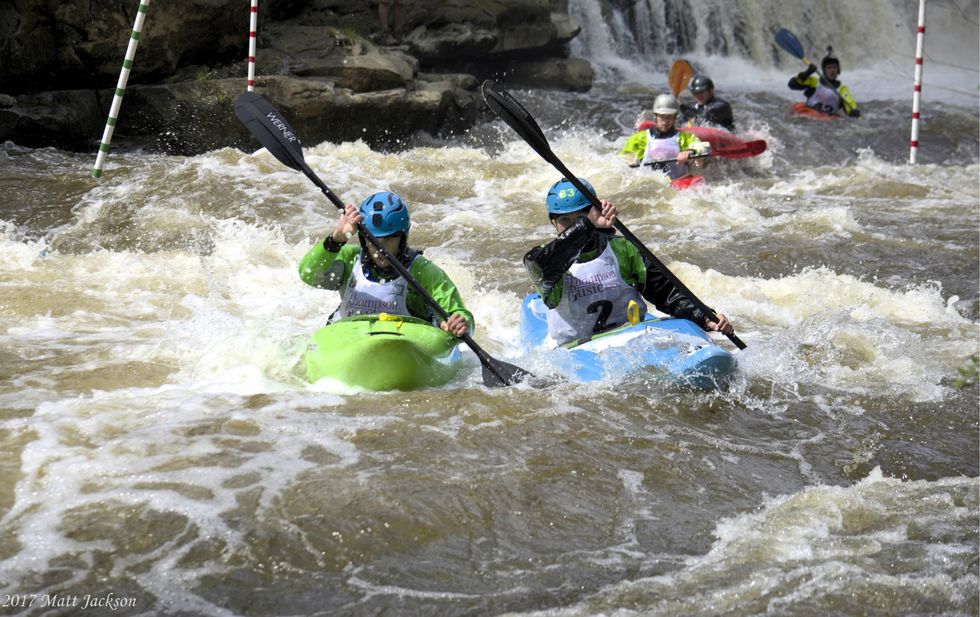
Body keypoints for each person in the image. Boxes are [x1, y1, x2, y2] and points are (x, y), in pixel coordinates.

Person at [523, 177, 734, 345]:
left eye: (581, 216)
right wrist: (587, 225)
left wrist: (704, 317)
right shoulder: (542, 260)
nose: (572, 225)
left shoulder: (623, 249)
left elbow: (666, 293)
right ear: (553, 222)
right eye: (564, 220)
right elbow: (545, 266)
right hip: (578, 349)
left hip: (630, 340)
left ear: (594, 212)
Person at [298, 191, 473, 338]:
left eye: (389, 240)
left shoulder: (423, 272)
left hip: (404, 347)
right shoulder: (349, 259)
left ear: (402, 238)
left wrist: (459, 324)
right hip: (348, 339)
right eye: (373, 240)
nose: (379, 250)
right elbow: (308, 274)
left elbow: (460, 315)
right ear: (363, 239)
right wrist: (336, 239)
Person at [620, 94, 710, 181]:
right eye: (662, 117)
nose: (665, 121)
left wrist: (690, 151)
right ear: (655, 116)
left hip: (680, 182)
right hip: (650, 183)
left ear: (675, 117)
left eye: (669, 117)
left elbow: (703, 147)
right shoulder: (638, 139)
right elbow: (623, 163)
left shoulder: (685, 137)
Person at [788, 46, 860, 117]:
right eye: (829, 68)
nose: (832, 71)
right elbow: (792, 85)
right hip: (809, 113)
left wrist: (853, 112)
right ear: (824, 71)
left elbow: (850, 106)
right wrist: (806, 73)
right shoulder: (814, 82)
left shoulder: (842, 90)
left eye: (835, 67)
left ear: (838, 70)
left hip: (827, 118)